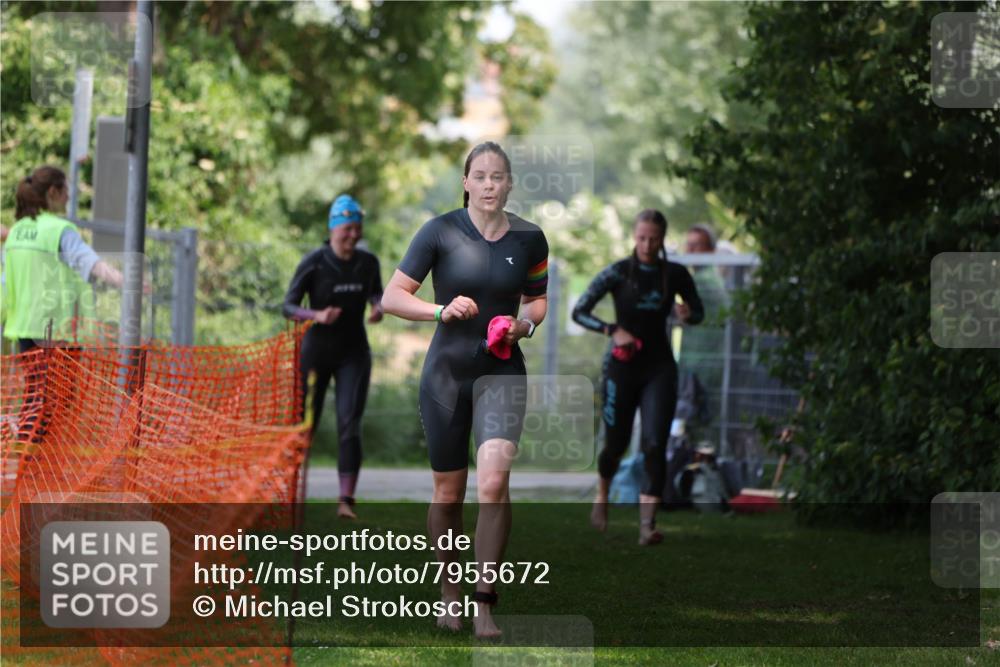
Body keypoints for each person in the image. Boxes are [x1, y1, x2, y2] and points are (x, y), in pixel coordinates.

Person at [381, 141, 548, 638]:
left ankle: (484, 603)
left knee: (494, 483)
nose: (490, 184)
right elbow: (391, 297)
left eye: (499, 176)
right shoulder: (438, 231)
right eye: (481, 175)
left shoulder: (531, 238)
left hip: (502, 371)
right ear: (466, 181)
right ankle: (449, 593)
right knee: (448, 494)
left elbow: (537, 302)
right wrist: (439, 311)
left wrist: (524, 327)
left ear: (510, 183)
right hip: (446, 376)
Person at [572, 209, 704, 545]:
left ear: (662, 239)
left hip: (659, 368)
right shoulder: (618, 272)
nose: (647, 244)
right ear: (634, 236)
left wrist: (688, 314)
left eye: (654, 239)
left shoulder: (674, 274)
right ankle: (602, 495)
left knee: (655, 443)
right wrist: (612, 329)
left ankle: (647, 526)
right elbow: (579, 311)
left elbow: (698, 311)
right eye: (642, 237)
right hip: (621, 368)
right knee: (615, 444)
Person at [283, 194, 383, 520]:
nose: (353, 236)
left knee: (349, 424)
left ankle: (345, 502)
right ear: (334, 228)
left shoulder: (368, 263)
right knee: (302, 425)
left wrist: (378, 306)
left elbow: (377, 292)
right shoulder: (314, 261)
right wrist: (316, 314)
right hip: (316, 352)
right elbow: (288, 306)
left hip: (353, 352)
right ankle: (291, 493)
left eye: (358, 229)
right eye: (348, 229)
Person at [2, 165, 124, 352]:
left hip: (24, 329)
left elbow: (5, 280)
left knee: (35, 382)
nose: (68, 197)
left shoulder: (17, 231)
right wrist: (123, 280)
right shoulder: (59, 230)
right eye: (66, 190)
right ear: (53, 192)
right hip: (58, 331)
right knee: (59, 383)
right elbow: (88, 260)